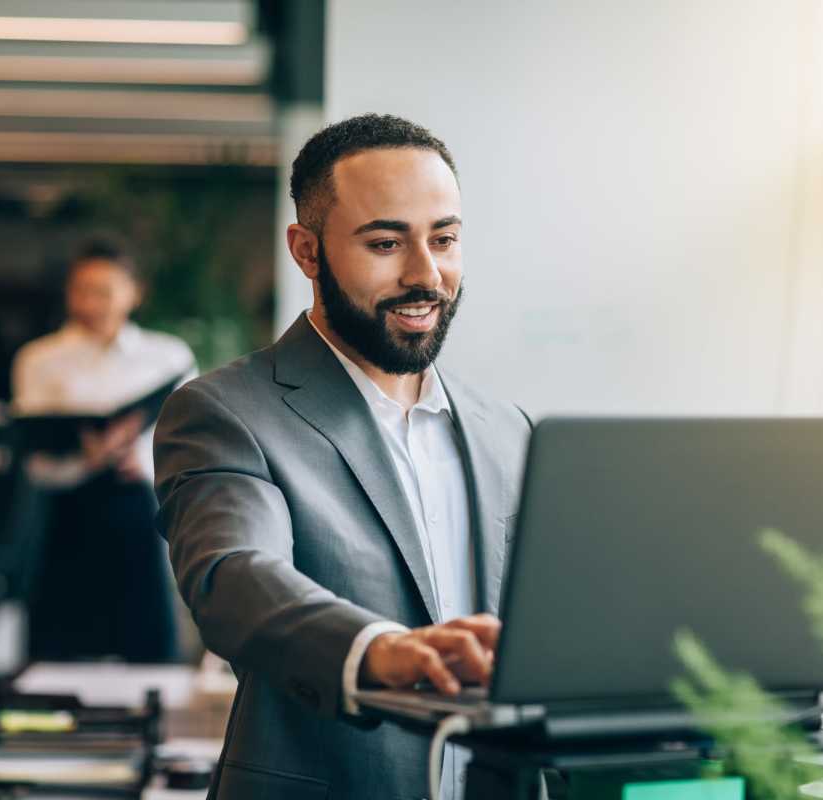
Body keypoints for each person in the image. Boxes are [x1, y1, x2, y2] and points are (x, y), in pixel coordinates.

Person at [153, 114, 531, 799]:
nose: (426, 274)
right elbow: (233, 577)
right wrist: (383, 651)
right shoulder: (226, 411)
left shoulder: (510, 431)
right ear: (306, 251)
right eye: (386, 242)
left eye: (443, 239)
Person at [12, 239, 195, 662]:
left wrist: (143, 460)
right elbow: (34, 451)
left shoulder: (167, 357)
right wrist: (86, 453)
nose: (91, 302)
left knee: (146, 644)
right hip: (66, 511)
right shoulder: (38, 358)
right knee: (60, 650)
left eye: (105, 290)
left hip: (139, 506)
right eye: (81, 290)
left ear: (134, 292)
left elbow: (189, 442)